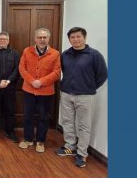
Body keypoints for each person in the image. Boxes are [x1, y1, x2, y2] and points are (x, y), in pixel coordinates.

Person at [56, 27, 107, 168]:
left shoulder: (94, 55)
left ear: (84, 37)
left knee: (84, 125)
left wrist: (89, 87)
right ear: (69, 39)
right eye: (72, 37)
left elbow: (102, 75)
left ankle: (82, 153)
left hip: (85, 96)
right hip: (66, 94)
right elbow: (65, 72)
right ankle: (70, 146)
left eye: (78, 36)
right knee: (67, 122)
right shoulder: (65, 54)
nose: (75, 39)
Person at [18, 28, 61, 153]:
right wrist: (32, 81)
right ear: (35, 38)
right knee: (28, 116)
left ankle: (40, 141)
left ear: (49, 38)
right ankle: (27, 139)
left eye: (45, 37)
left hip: (46, 92)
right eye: (39, 37)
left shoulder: (55, 53)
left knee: (43, 117)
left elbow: (57, 72)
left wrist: (41, 82)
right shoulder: (27, 51)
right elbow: (22, 68)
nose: (42, 40)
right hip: (29, 90)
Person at [0, 31, 20, 142]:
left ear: (8, 40)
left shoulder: (15, 53)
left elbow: (17, 70)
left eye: (4, 39)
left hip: (9, 88)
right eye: (0, 39)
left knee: (10, 111)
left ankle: (10, 131)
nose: (2, 41)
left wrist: (8, 81)